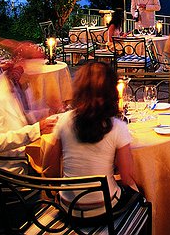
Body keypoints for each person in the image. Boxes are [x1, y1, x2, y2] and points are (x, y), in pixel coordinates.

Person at [45, 61, 139, 222]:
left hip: (68, 208)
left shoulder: (63, 120)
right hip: (105, 210)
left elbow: (50, 171)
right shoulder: (117, 127)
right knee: (139, 195)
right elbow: (126, 177)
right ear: (111, 92)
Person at [0, 61, 57, 178]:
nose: (35, 79)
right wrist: (36, 129)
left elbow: (20, 119)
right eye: (33, 73)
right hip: (5, 169)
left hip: (21, 157)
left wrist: (47, 113)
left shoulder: (13, 85)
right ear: (17, 68)